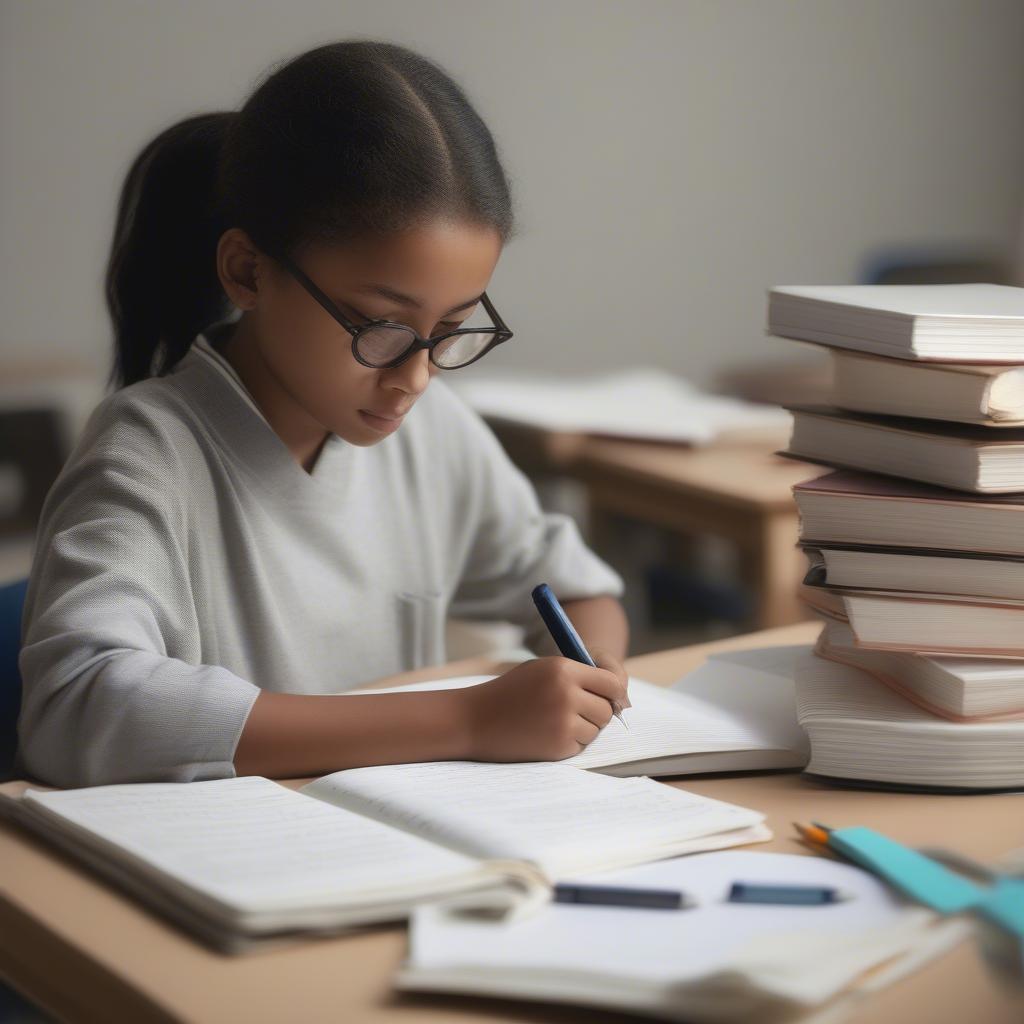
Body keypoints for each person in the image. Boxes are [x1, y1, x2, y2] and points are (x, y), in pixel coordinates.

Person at [16, 40, 630, 788]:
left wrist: (595, 676)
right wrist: (467, 720)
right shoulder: (148, 453)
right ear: (247, 270)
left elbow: (574, 585)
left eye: (451, 330)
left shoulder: (428, 433)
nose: (416, 376)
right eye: (382, 326)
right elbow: (76, 708)